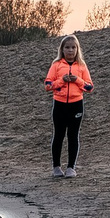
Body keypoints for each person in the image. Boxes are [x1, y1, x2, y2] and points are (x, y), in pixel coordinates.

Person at [43, 35, 93, 177]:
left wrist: (77, 80)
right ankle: (56, 168)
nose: (70, 50)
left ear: (77, 49)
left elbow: (89, 87)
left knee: (73, 136)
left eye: (73, 47)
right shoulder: (56, 65)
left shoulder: (82, 66)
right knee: (58, 135)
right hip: (59, 105)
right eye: (67, 47)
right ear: (62, 49)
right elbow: (48, 85)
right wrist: (61, 81)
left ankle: (71, 167)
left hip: (76, 105)